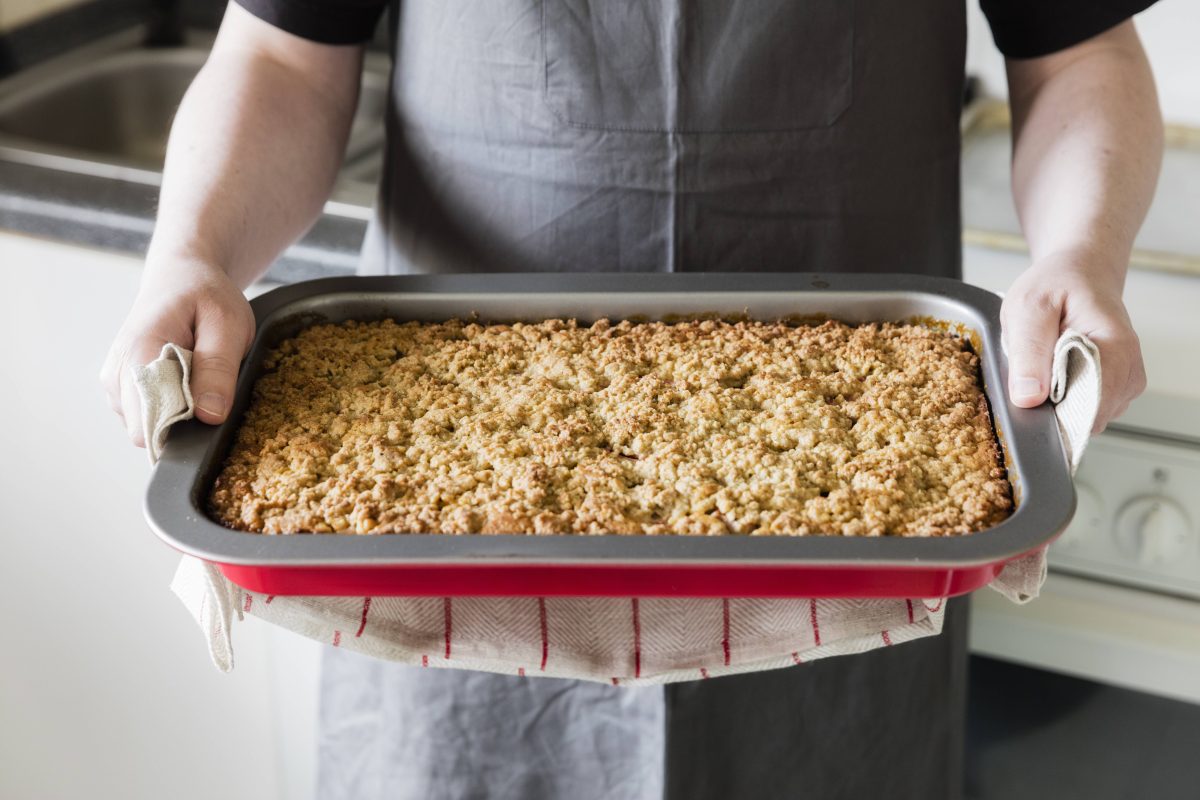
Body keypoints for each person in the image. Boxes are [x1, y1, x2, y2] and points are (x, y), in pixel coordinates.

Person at [101, 1, 1162, 797]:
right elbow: (285, 55)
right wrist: (191, 252)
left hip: (846, 564)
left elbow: (1077, 52)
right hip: (446, 546)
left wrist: (1083, 253)